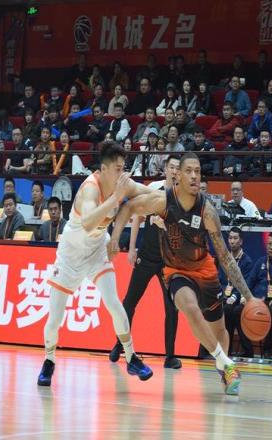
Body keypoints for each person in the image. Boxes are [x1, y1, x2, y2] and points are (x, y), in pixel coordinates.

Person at [108, 152, 262, 396]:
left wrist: (249, 296)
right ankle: (226, 364)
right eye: (188, 171)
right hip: (176, 270)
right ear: (177, 175)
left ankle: (223, 367)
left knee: (219, 330)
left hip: (204, 269)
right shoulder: (163, 201)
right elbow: (129, 207)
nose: (194, 176)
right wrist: (115, 238)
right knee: (188, 306)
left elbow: (224, 256)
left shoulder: (207, 211)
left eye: (197, 171)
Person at [38, 141, 154, 386]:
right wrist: (116, 199)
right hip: (70, 255)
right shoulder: (90, 188)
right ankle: (49, 360)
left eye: (124, 168)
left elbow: (149, 193)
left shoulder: (122, 183)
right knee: (55, 318)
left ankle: (131, 357)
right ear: (104, 169)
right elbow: (89, 223)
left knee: (113, 302)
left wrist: (173, 196)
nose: (122, 173)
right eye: (118, 169)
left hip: (97, 250)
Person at [109, 156, 182, 369]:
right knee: (129, 302)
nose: (174, 171)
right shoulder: (153, 189)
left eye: (178, 168)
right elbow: (137, 218)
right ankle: (119, 345)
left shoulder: (183, 197)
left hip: (168, 260)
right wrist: (132, 248)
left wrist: (165, 225)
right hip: (147, 256)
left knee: (172, 307)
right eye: (171, 167)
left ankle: (170, 356)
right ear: (165, 169)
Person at [220, 227, 254, 357]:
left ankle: (235, 349)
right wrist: (223, 294)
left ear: (241, 241)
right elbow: (220, 281)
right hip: (225, 296)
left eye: (235, 238)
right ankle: (213, 348)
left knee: (231, 310)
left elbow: (245, 284)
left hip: (240, 298)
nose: (232, 241)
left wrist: (234, 296)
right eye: (230, 238)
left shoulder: (247, 261)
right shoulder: (224, 258)